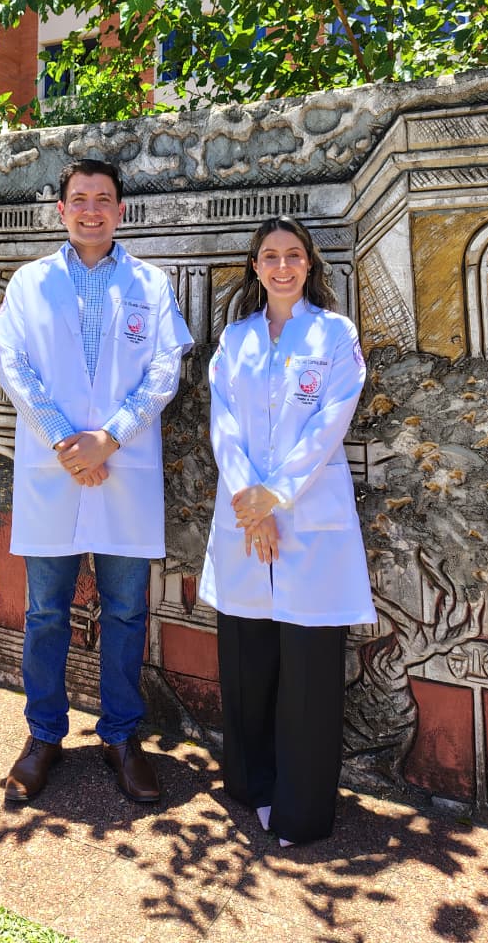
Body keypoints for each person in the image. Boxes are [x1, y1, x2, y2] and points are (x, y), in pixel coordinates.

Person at [0, 159, 192, 805]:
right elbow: (14, 367)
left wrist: (110, 438)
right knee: (46, 612)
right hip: (54, 468)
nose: (92, 210)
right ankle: (43, 734)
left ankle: (121, 736)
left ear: (121, 210)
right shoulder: (29, 284)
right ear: (61, 211)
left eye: (104, 199)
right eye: (80, 199)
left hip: (122, 467)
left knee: (127, 611)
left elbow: (164, 373)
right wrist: (65, 441)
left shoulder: (150, 286)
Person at [199, 215, 376, 847]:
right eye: (269, 255)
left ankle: (301, 814)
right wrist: (253, 501)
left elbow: (331, 421)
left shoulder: (334, 334)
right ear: (254, 265)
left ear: (309, 265)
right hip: (247, 517)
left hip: (307, 518)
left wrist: (276, 497)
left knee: (308, 672)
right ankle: (250, 788)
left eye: (293, 255)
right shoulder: (236, 339)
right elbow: (223, 423)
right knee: (246, 663)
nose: (281, 266)